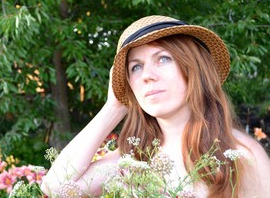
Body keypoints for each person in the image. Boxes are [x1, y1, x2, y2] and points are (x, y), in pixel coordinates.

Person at [41, 15, 270, 197]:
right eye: (136, 67)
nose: (147, 76)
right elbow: (55, 188)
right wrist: (115, 107)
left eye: (163, 59)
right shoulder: (134, 160)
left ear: (194, 69)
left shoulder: (242, 155)